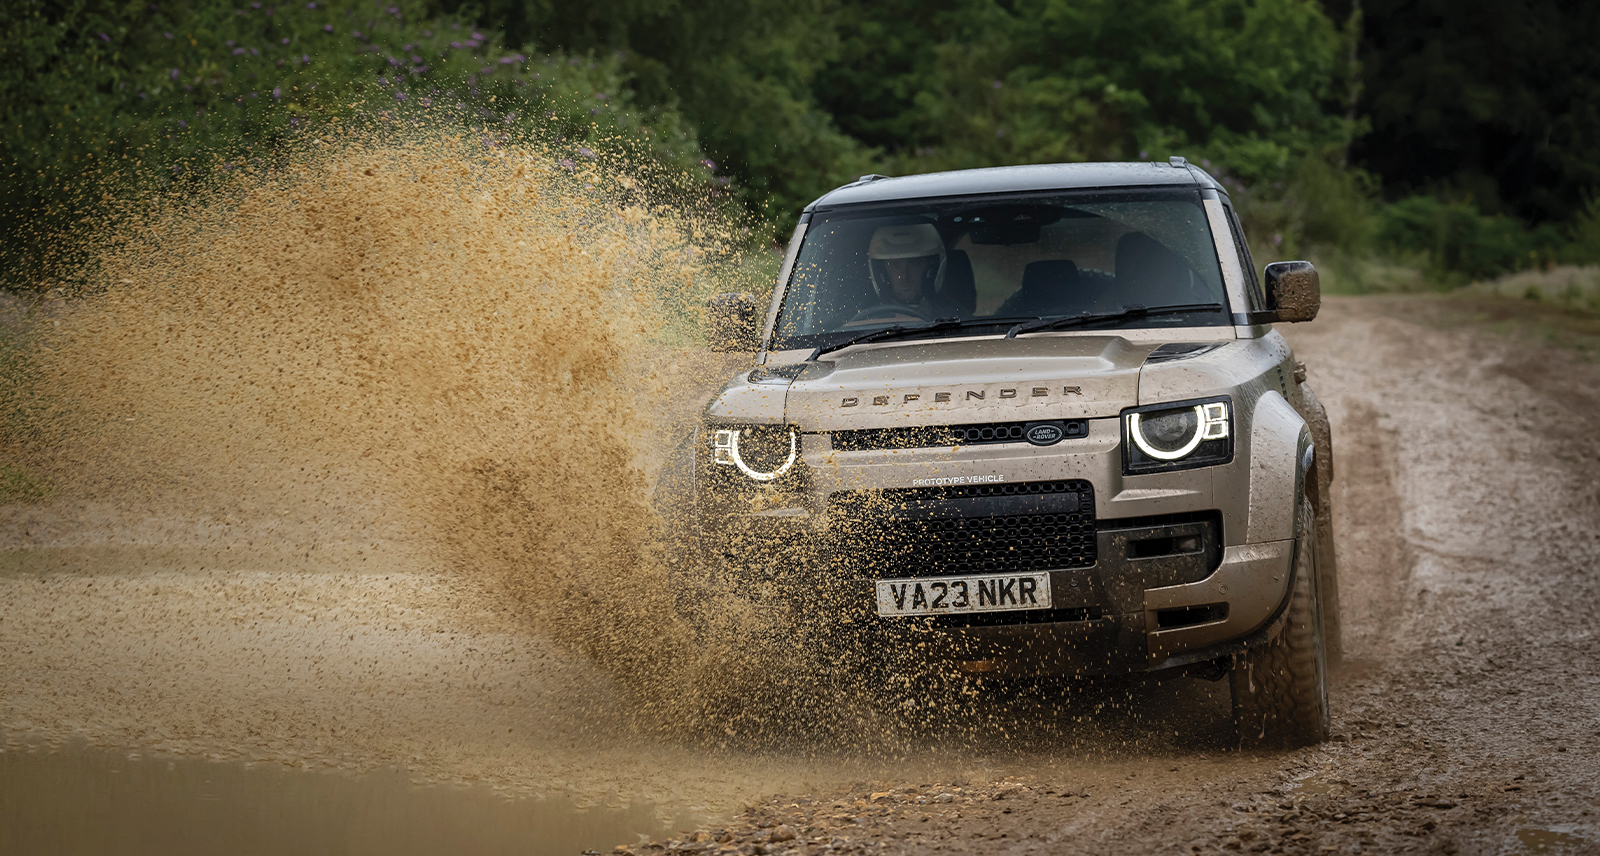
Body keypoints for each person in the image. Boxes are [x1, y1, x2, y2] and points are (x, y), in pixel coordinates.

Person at [858, 223, 964, 322]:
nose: (904, 275)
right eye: (895, 265)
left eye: (914, 264)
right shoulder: (866, 322)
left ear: (930, 271)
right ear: (882, 273)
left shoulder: (954, 318)